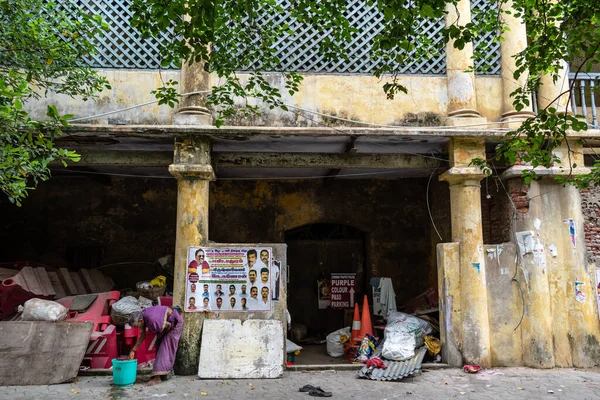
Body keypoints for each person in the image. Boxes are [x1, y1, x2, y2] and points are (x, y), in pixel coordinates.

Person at [128, 306, 183, 386]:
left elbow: (169, 326)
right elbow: (142, 336)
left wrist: (163, 336)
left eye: (137, 326)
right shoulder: (143, 316)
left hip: (174, 322)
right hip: (165, 324)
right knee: (159, 344)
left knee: (164, 348)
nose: (138, 327)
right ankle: (164, 371)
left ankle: (157, 377)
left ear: (140, 320)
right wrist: (133, 350)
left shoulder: (152, 319)